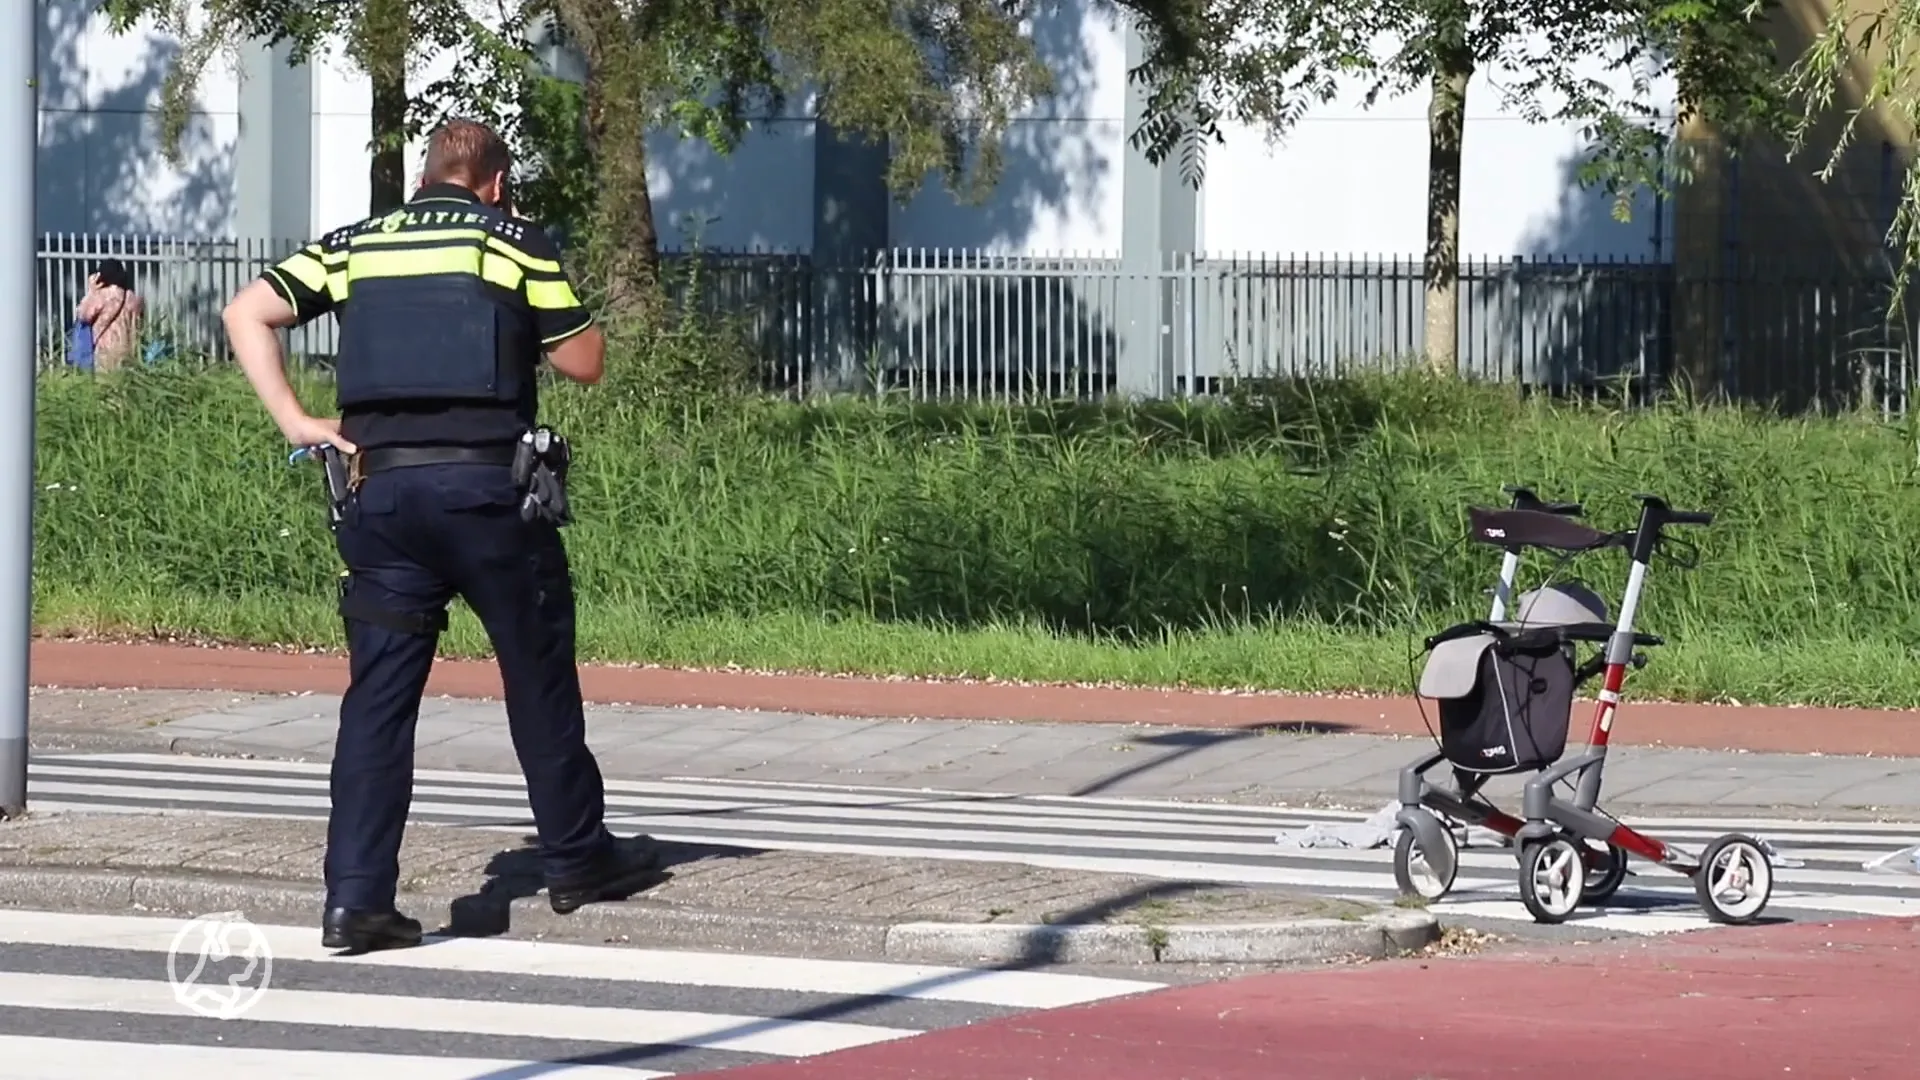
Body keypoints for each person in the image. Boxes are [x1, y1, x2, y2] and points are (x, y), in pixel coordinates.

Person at [220, 118, 659, 953]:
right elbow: (586, 361)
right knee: (535, 676)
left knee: (378, 701)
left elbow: (245, 312)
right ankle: (575, 858)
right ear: (493, 181)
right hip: (487, 495)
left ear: (425, 175)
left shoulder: (357, 243)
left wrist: (298, 421)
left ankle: (356, 900)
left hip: (380, 495)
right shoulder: (510, 240)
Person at [75, 258, 144, 371]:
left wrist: (91, 291)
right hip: (129, 350)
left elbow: (83, 314)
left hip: (106, 350)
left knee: (105, 384)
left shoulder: (102, 296)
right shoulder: (132, 298)